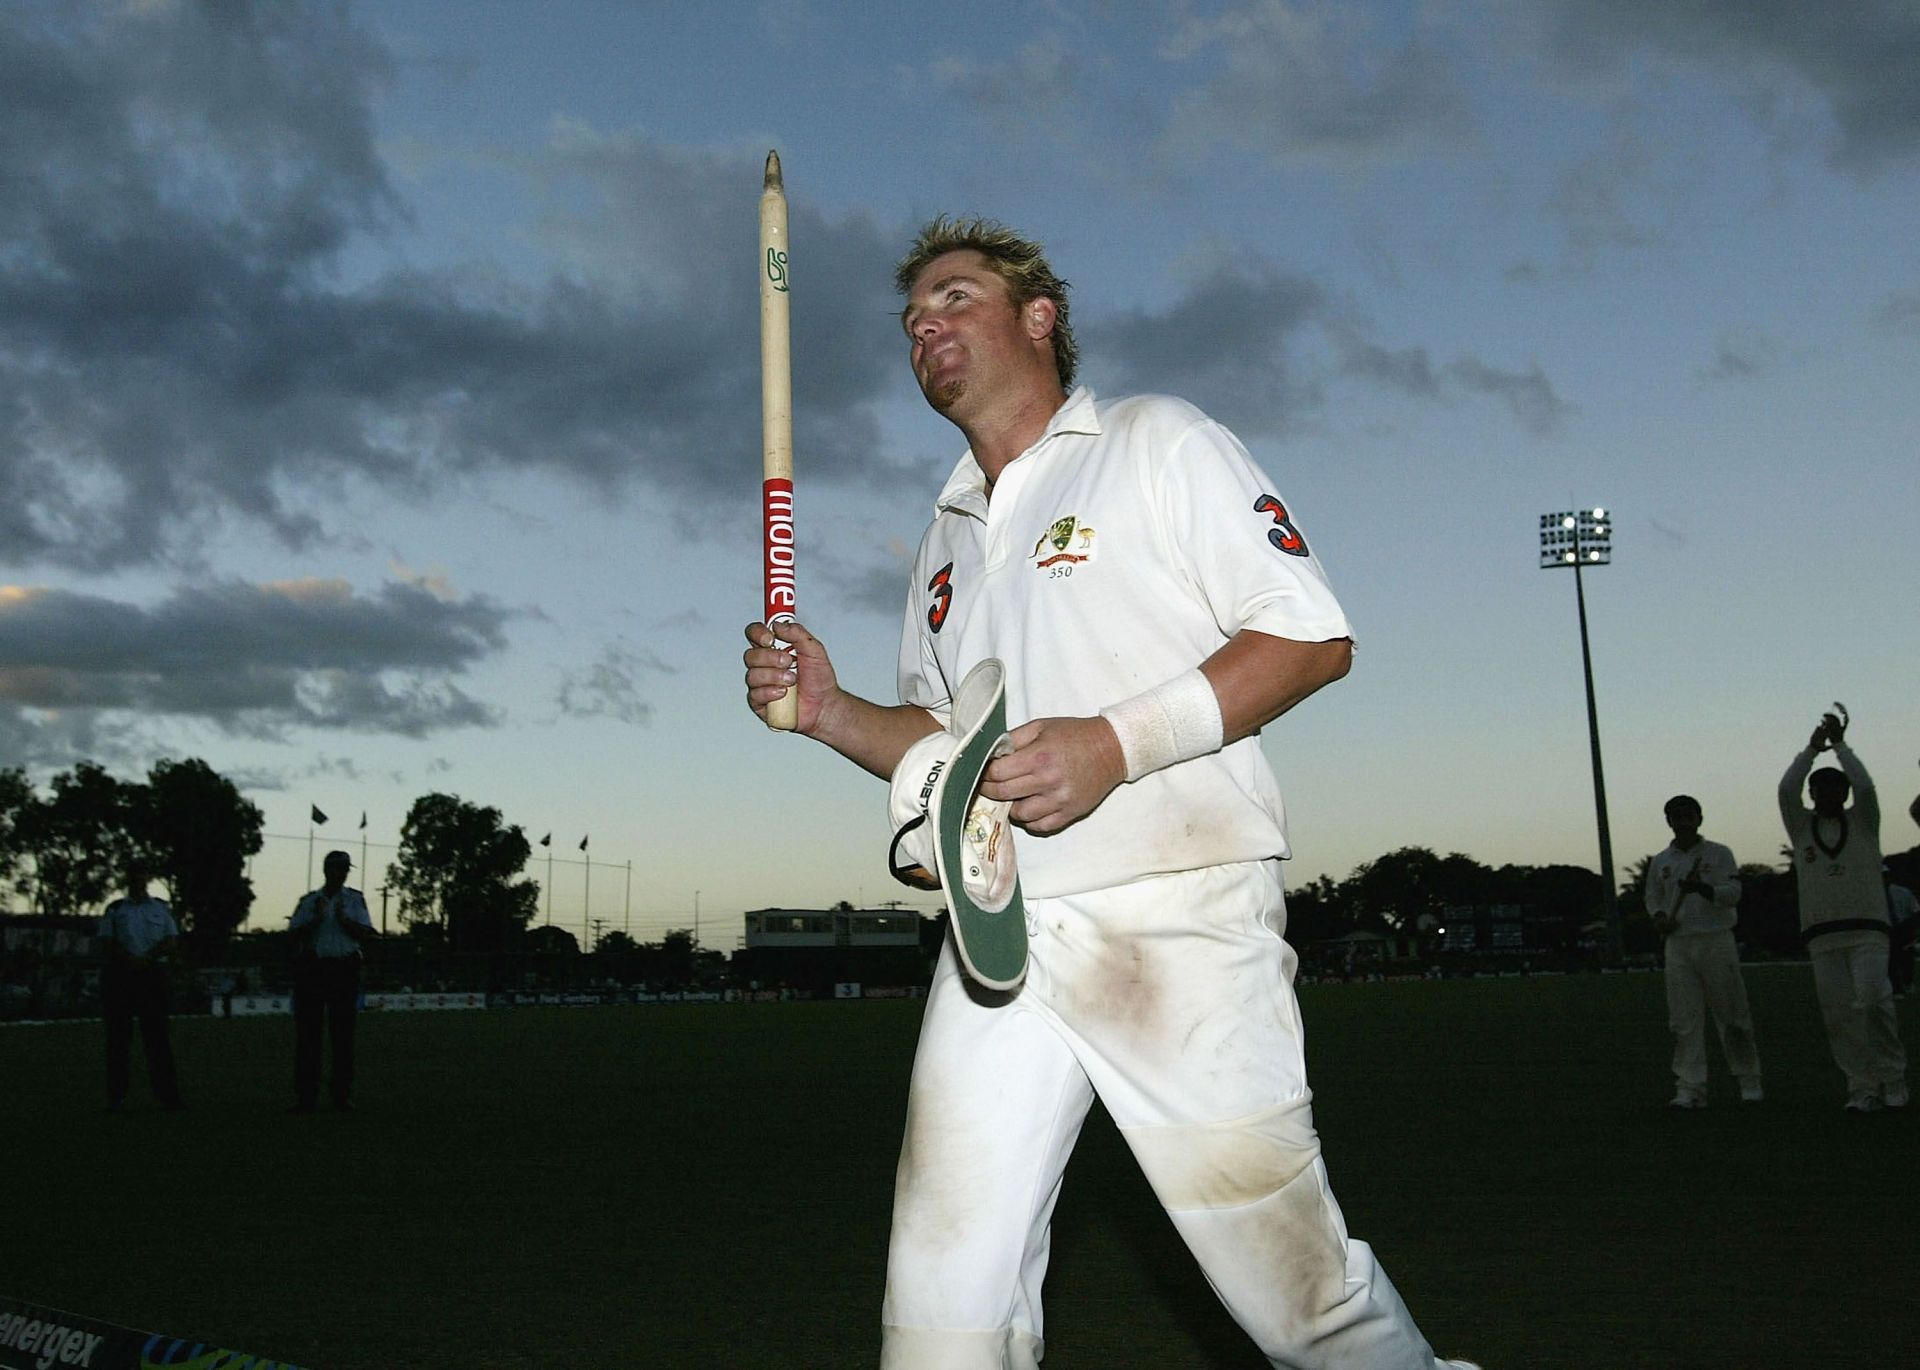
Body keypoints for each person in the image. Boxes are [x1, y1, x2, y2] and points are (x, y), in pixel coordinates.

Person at [744, 218, 1476, 1369]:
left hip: (1176, 916)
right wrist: (831, 710)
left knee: (1299, 1301)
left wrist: (1112, 745)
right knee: (940, 1312)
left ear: (1039, 316)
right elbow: (945, 743)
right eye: (911, 317)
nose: (923, 325)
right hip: (998, 943)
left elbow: (1309, 633)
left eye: (954, 296)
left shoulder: (1155, 440)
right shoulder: (943, 535)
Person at [1779, 714, 1909, 1111]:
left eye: (1836, 788)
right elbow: (1787, 788)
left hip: (1868, 929)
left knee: (1872, 1001)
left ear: (1845, 794)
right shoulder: (1801, 828)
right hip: (1822, 934)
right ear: (1813, 794)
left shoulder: (1864, 822)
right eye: (1820, 789)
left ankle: (1893, 1077)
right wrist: (1812, 749)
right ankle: (1862, 1088)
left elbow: (1867, 785)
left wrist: (1839, 745)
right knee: (1838, 1016)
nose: (1827, 795)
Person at [1644, 795, 1761, 1107]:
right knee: (1684, 1020)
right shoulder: (1661, 861)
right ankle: (1690, 1088)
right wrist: (1659, 917)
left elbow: (1733, 893)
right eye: (1676, 816)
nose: (1682, 821)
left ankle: (1748, 1080)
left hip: (1715, 938)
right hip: (1679, 943)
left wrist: (1702, 889)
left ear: (1699, 818)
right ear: (1668, 820)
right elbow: (1653, 897)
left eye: (1688, 815)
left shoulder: (1719, 854)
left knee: (1733, 1014)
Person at [287, 849, 373, 1112]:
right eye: (339, 868)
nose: (343, 873)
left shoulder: (355, 901)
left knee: (343, 1037)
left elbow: (367, 933)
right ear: (327, 870)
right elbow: (293, 934)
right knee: (308, 1037)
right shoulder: (310, 901)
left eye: (345, 869)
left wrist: (344, 920)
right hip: (313, 970)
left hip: (344, 969)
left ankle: (341, 1094)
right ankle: (306, 1096)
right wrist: (318, 918)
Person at [96, 862, 185, 1111]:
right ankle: (116, 1096)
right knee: (118, 1039)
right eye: (134, 875)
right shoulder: (115, 909)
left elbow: (171, 940)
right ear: (128, 878)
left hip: (152, 975)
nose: (138, 879)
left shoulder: (161, 908)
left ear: (148, 877)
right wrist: (131, 959)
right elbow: (106, 941)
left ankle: (168, 1095)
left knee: (157, 1038)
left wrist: (146, 958)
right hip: (121, 976)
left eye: (142, 874)